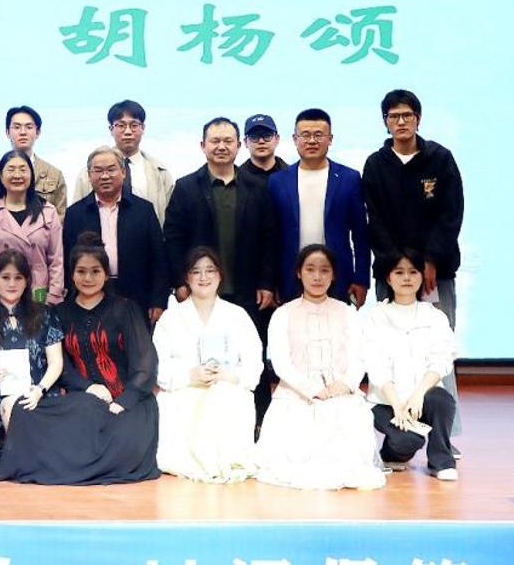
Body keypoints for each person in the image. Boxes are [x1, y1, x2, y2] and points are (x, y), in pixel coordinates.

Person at [0, 233, 160, 485]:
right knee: (27, 412)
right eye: (81, 271)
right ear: (71, 275)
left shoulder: (125, 309)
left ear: (106, 274)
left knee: (124, 445)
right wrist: (88, 387)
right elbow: (63, 366)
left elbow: (145, 363)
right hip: (83, 400)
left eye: (95, 271)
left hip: (128, 402)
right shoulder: (61, 313)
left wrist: (124, 400)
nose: (88, 278)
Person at [362, 88, 465, 439]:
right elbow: (374, 219)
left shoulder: (440, 158)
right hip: (391, 273)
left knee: (439, 353)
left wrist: (430, 261)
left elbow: (452, 214)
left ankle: (445, 436)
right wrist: (397, 266)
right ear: (385, 122)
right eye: (394, 116)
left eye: (407, 115)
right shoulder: (376, 164)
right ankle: (399, 429)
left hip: (437, 274)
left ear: (418, 118)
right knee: (389, 351)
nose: (401, 121)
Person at [163, 117, 277, 421]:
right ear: (203, 146)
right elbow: (173, 238)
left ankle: (257, 423)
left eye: (228, 141)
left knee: (249, 358)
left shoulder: (257, 187)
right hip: (200, 291)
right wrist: (179, 282)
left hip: (247, 290)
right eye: (215, 141)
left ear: (239, 145)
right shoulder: (186, 187)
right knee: (199, 360)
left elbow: (270, 237)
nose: (222, 146)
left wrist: (267, 282)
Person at [254, 245, 385, 491]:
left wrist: (344, 385)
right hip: (295, 393)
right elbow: (281, 362)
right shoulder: (283, 314)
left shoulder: (347, 313)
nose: (317, 277)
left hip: (339, 391)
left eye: (324, 270)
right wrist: (311, 389)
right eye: (310, 270)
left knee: (347, 424)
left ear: (333, 275)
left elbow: (359, 357)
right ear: (298, 273)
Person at [153, 247, 262, 483]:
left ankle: (225, 461)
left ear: (220, 275)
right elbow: (159, 364)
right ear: (187, 277)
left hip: (226, 387)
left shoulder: (237, 315)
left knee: (229, 397)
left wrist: (228, 376)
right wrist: (190, 375)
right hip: (185, 388)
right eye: (196, 271)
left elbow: (254, 362)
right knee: (176, 402)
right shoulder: (171, 318)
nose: (204, 277)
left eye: (210, 270)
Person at [361, 248, 459, 481]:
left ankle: (441, 462)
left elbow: (442, 358)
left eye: (413, 272)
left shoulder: (434, 316)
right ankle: (392, 453)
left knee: (442, 400)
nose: (406, 278)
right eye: (399, 272)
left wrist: (418, 394)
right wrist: (397, 404)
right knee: (407, 441)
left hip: (422, 398)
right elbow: (375, 364)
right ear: (388, 278)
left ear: (422, 276)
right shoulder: (375, 316)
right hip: (386, 401)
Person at [0, 251, 63, 475]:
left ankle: (15, 455)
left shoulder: (45, 315)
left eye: (18, 277)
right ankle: (31, 459)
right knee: (13, 404)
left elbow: (56, 363)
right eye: (5, 277)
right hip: (0, 398)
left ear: (27, 281)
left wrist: (40, 389)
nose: (12, 284)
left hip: (42, 394)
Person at [268, 108, 370, 306]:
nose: (312, 141)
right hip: (291, 277)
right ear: (295, 139)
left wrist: (361, 279)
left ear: (330, 139)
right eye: (305, 135)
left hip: (338, 276)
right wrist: (271, 282)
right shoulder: (278, 181)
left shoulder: (349, 178)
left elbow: (361, 234)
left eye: (318, 135)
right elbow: (272, 237)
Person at [63, 146, 168, 324]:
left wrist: (158, 300)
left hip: (136, 295)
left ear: (123, 172)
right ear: (89, 176)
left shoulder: (144, 210)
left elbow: (158, 257)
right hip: (89, 294)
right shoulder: (75, 213)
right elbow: (67, 259)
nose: (105, 176)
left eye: (111, 169)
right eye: (98, 171)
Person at [0, 150, 64, 311]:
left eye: (23, 169)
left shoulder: (48, 212)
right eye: (11, 169)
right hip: (0, 296)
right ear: (0, 176)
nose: (17, 175)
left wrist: (53, 297)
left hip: (38, 296)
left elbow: (56, 261)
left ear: (31, 175)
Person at [72, 99, 174, 224]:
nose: (128, 131)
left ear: (143, 128)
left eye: (134, 125)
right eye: (121, 125)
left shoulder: (160, 172)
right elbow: (76, 215)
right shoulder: (89, 172)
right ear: (111, 129)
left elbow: (171, 218)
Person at [0, 105, 67, 217]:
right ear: (7, 132)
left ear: (38, 132)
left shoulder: (54, 175)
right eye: (17, 127)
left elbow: (60, 219)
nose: (23, 132)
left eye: (29, 127)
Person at [239, 114, 288, 183]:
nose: (261, 141)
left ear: (277, 139)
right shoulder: (236, 179)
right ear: (245, 142)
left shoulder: (293, 175)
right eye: (254, 137)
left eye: (267, 136)